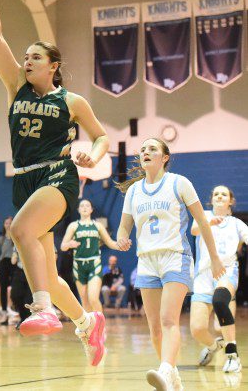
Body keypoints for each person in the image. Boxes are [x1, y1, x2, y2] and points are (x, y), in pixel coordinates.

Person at [0, 0, 112, 366]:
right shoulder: (14, 88)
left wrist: (92, 155)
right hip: (22, 180)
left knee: (20, 231)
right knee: (50, 274)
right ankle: (86, 322)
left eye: (36, 56)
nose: (27, 60)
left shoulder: (71, 100)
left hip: (57, 176)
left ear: (53, 66)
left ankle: (43, 310)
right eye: (26, 56)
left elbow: (102, 136)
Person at [116, 138, 225, 390]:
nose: (146, 152)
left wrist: (215, 258)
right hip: (146, 261)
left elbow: (203, 222)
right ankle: (173, 376)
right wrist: (122, 237)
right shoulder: (133, 191)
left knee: (168, 320)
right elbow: (124, 225)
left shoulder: (179, 183)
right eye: (143, 149)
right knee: (154, 328)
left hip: (175, 257)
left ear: (165, 157)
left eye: (152, 149)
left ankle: (165, 370)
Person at [190, 185, 248, 374]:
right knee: (197, 329)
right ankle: (214, 346)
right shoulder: (204, 215)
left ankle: (232, 355)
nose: (220, 196)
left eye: (224, 194)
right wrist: (210, 223)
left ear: (230, 200)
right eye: (216, 194)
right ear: (212, 199)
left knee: (220, 301)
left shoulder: (237, 224)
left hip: (226, 271)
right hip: (203, 276)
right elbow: (194, 230)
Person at [61, 199, 121, 312]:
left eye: (87, 205)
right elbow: (62, 246)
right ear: (78, 209)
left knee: (93, 298)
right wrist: (69, 244)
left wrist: (121, 245)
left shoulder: (98, 225)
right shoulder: (73, 226)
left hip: (94, 264)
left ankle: (100, 326)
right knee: (85, 301)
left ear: (91, 209)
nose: (84, 207)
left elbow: (110, 242)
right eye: (82, 206)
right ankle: (89, 328)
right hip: (79, 266)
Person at [0, 216, 17, 318]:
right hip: (3, 264)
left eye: (10, 223)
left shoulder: (16, 237)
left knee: (15, 287)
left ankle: (13, 307)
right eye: (6, 223)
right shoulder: (1, 239)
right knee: (3, 288)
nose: (8, 225)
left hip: (13, 264)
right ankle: (4, 309)